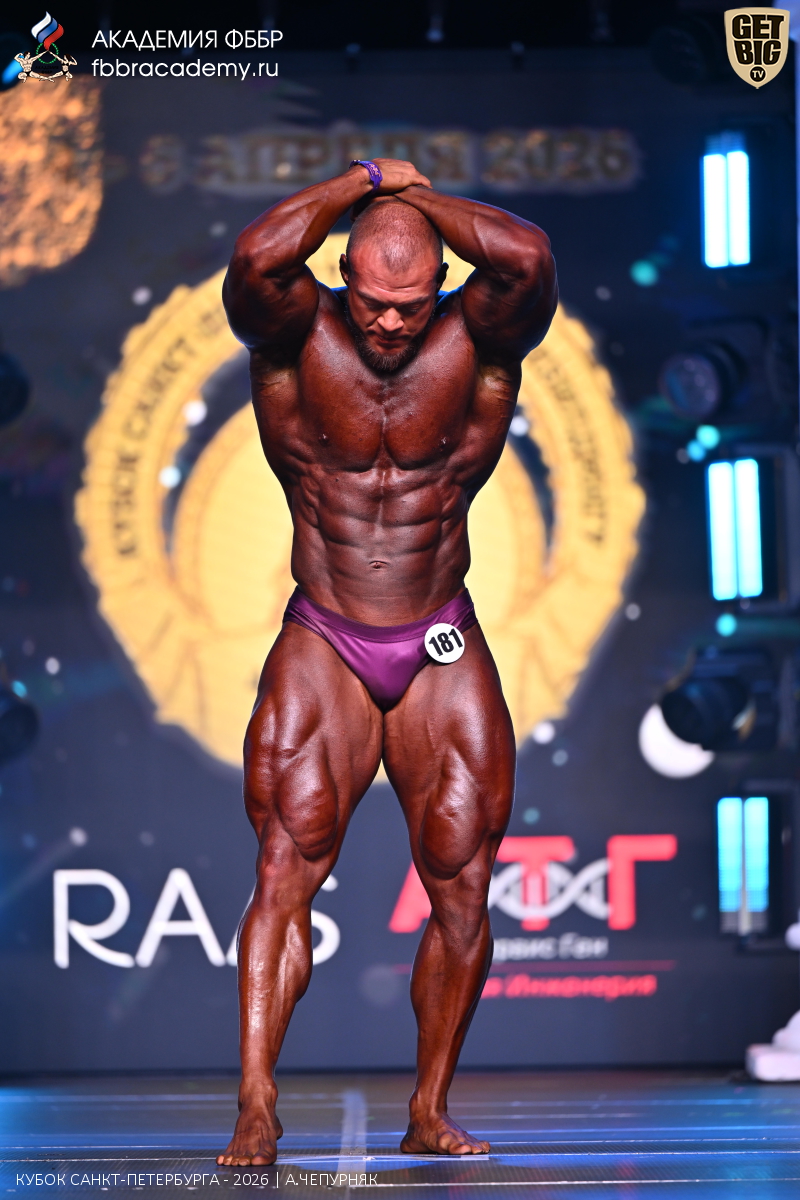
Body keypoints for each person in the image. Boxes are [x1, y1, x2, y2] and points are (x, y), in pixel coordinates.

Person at [217, 158, 557, 1167]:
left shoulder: (478, 339)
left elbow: (528, 257)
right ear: (342, 275)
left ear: (443, 280)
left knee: (462, 878)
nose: (392, 323)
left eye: (412, 303)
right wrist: (364, 181)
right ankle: (256, 1103)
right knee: (284, 865)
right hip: (326, 630)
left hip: (438, 628)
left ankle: (428, 1108)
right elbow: (255, 256)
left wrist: (416, 199)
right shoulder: (295, 332)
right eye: (373, 301)